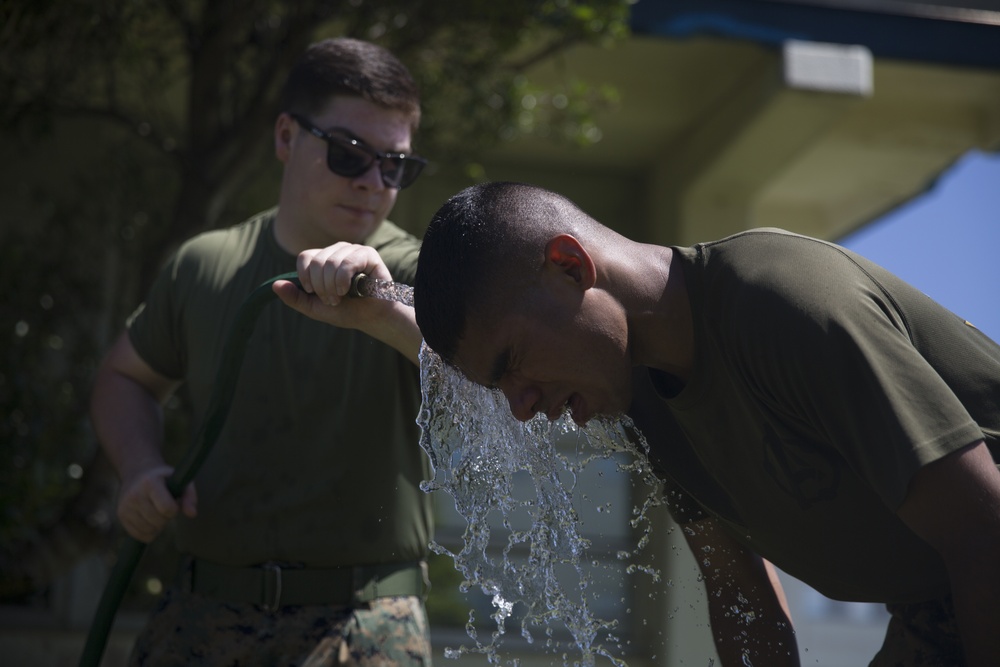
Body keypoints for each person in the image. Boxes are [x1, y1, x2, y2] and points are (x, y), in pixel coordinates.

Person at [411, 181, 1000, 667]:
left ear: (571, 266)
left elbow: (983, 529)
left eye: (512, 363)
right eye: (500, 388)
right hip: (938, 606)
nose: (521, 405)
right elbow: (740, 595)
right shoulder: (645, 397)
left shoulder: (782, 303)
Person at [90, 38, 434, 667]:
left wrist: (383, 301)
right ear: (285, 136)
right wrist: (139, 467)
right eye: (349, 154)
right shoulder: (205, 265)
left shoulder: (414, 270)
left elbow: (480, 370)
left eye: (394, 167)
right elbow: (124, 377)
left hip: (365, 624)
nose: (372, 185)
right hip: (203, 614)